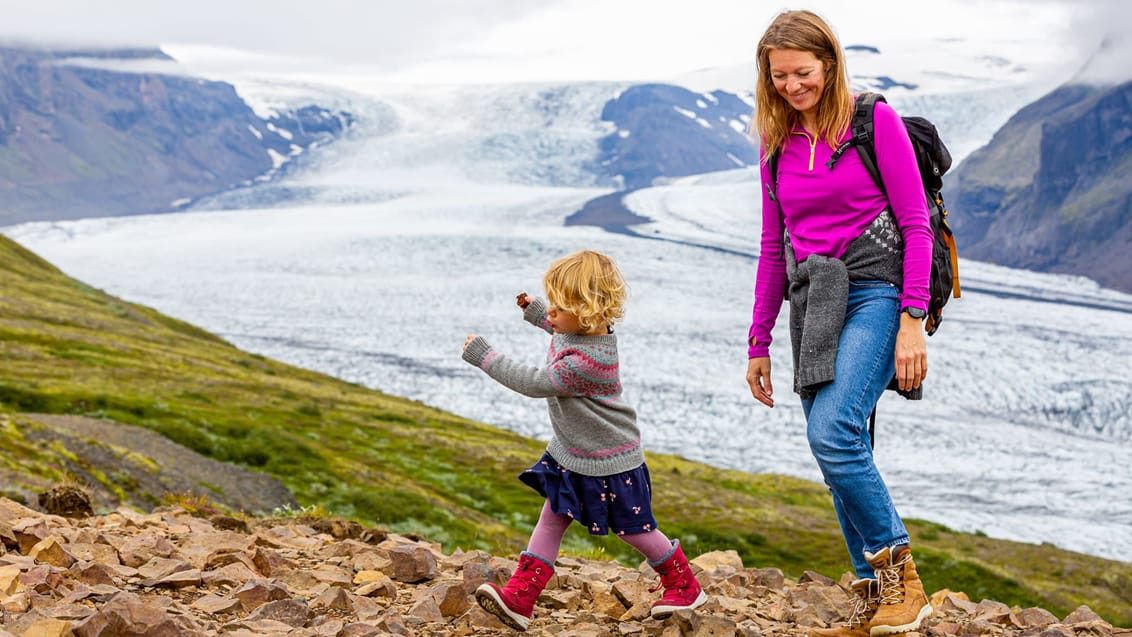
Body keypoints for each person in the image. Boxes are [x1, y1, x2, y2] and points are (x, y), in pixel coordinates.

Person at [745, 9, 933, 637]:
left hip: (878, 292)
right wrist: (757, 341)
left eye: (802, 72)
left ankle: (901, 578)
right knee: (842, 455)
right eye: (779, 77)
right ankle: (874, 597)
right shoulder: (776, 147)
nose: (792, 86)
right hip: (813, 304)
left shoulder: (871, 119)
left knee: (833, 432)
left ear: (829, 64)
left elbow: (915, 225)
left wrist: (912, 322)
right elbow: (775, 248)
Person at [461, 249, 707, 631]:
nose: (552, 316)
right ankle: (520, 599)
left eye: (558, 309)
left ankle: (684, 586)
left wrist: (485, 356)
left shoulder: (585, 364)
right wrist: (536, 312)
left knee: (634, 530)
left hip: (611, 462)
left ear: (587, 310)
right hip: (572, 455)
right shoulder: (581, 328)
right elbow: (562, 327)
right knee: (551, 520)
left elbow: (533, 383)